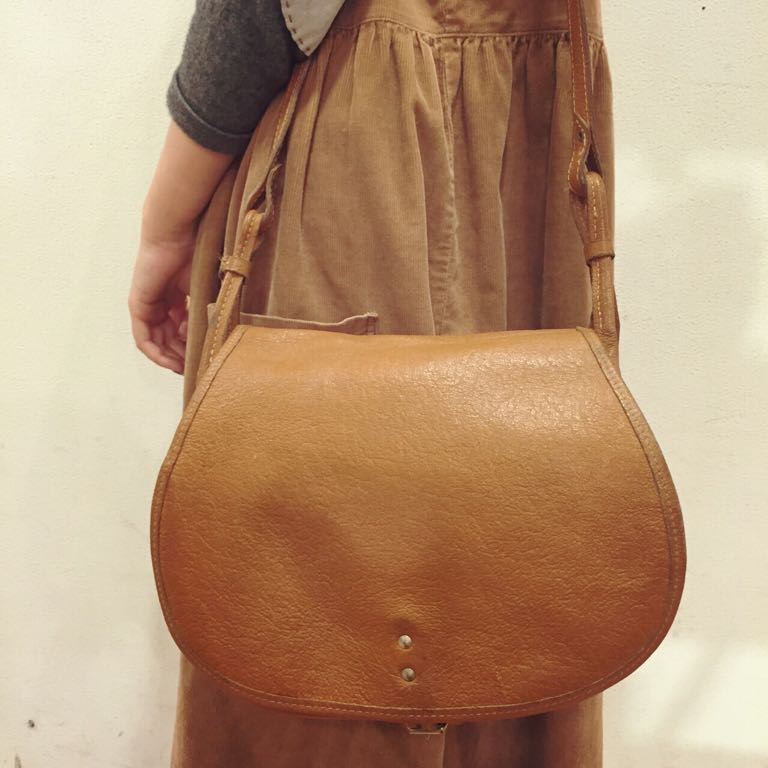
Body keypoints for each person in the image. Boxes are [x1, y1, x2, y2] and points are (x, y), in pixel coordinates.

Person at [129, 0, 614, 764]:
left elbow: (261, 16)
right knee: (514, 547)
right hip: (530, 140)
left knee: (320, 598)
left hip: (364, 131)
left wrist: (164, 227)